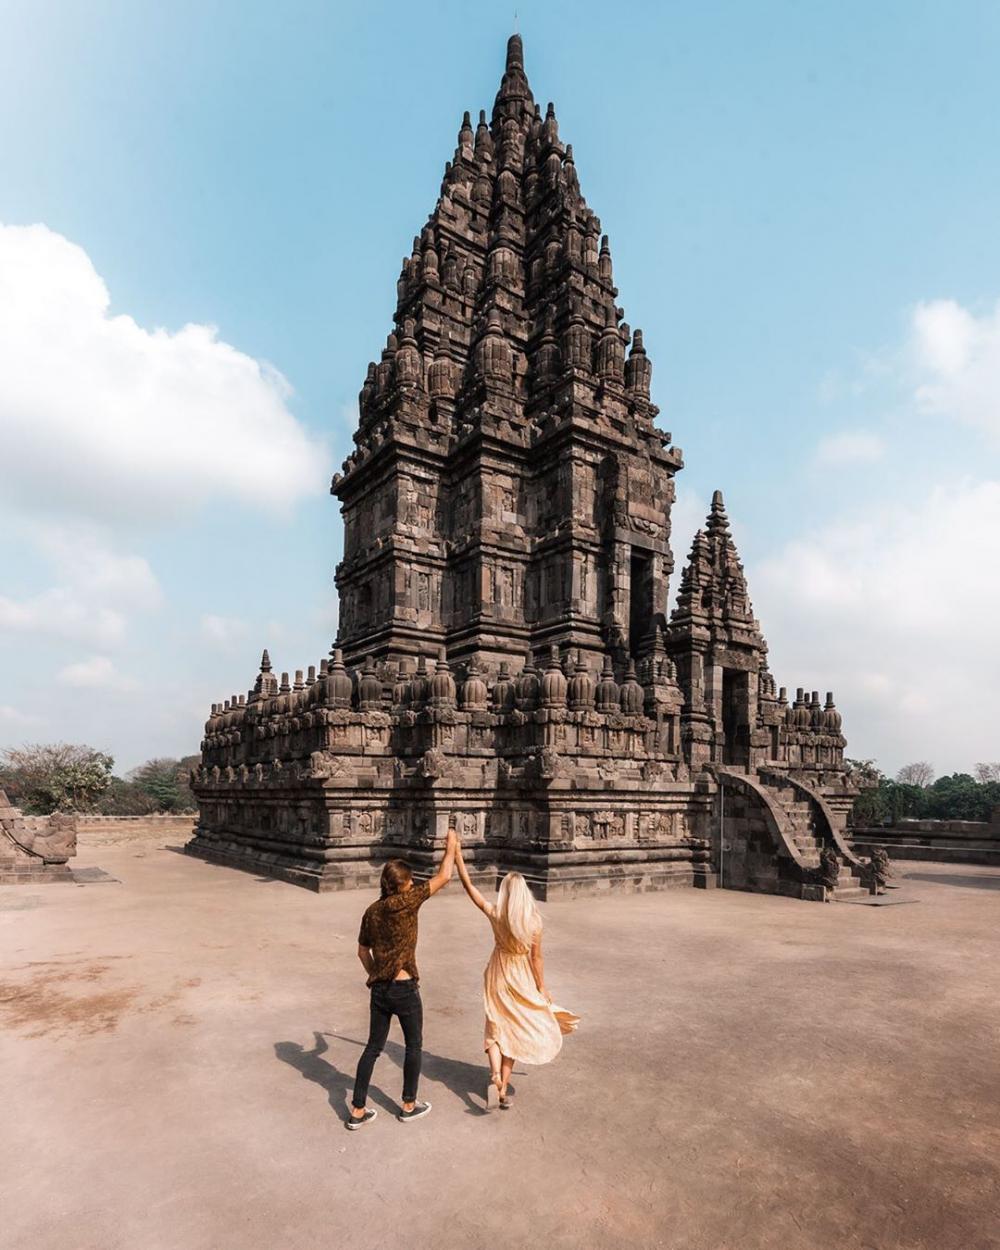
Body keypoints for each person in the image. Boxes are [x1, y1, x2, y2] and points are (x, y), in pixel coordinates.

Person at [454, 841, 579, 1110]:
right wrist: (542, 986)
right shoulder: (533, 922)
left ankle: (495, 1077)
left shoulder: (497, 913)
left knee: (496, 1026)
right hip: (521, 975)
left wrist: (458, 857)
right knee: (516, 1027)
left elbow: (470, 889)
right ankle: (501, 1087)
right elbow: (537, 958)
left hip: (498, 972)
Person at [348, 829, 457, 1130]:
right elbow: (445, 875)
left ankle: (357, 1109)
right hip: (405, 988)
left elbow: (361, 951)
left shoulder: (372, 911)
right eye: (410, 881)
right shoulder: (408, 901)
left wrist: (376, 974)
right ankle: (408, 1104)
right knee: (414, 1045)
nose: (413, 884)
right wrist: (451, 845)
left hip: (380, 990)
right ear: (404, 884)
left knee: (372, 1048)